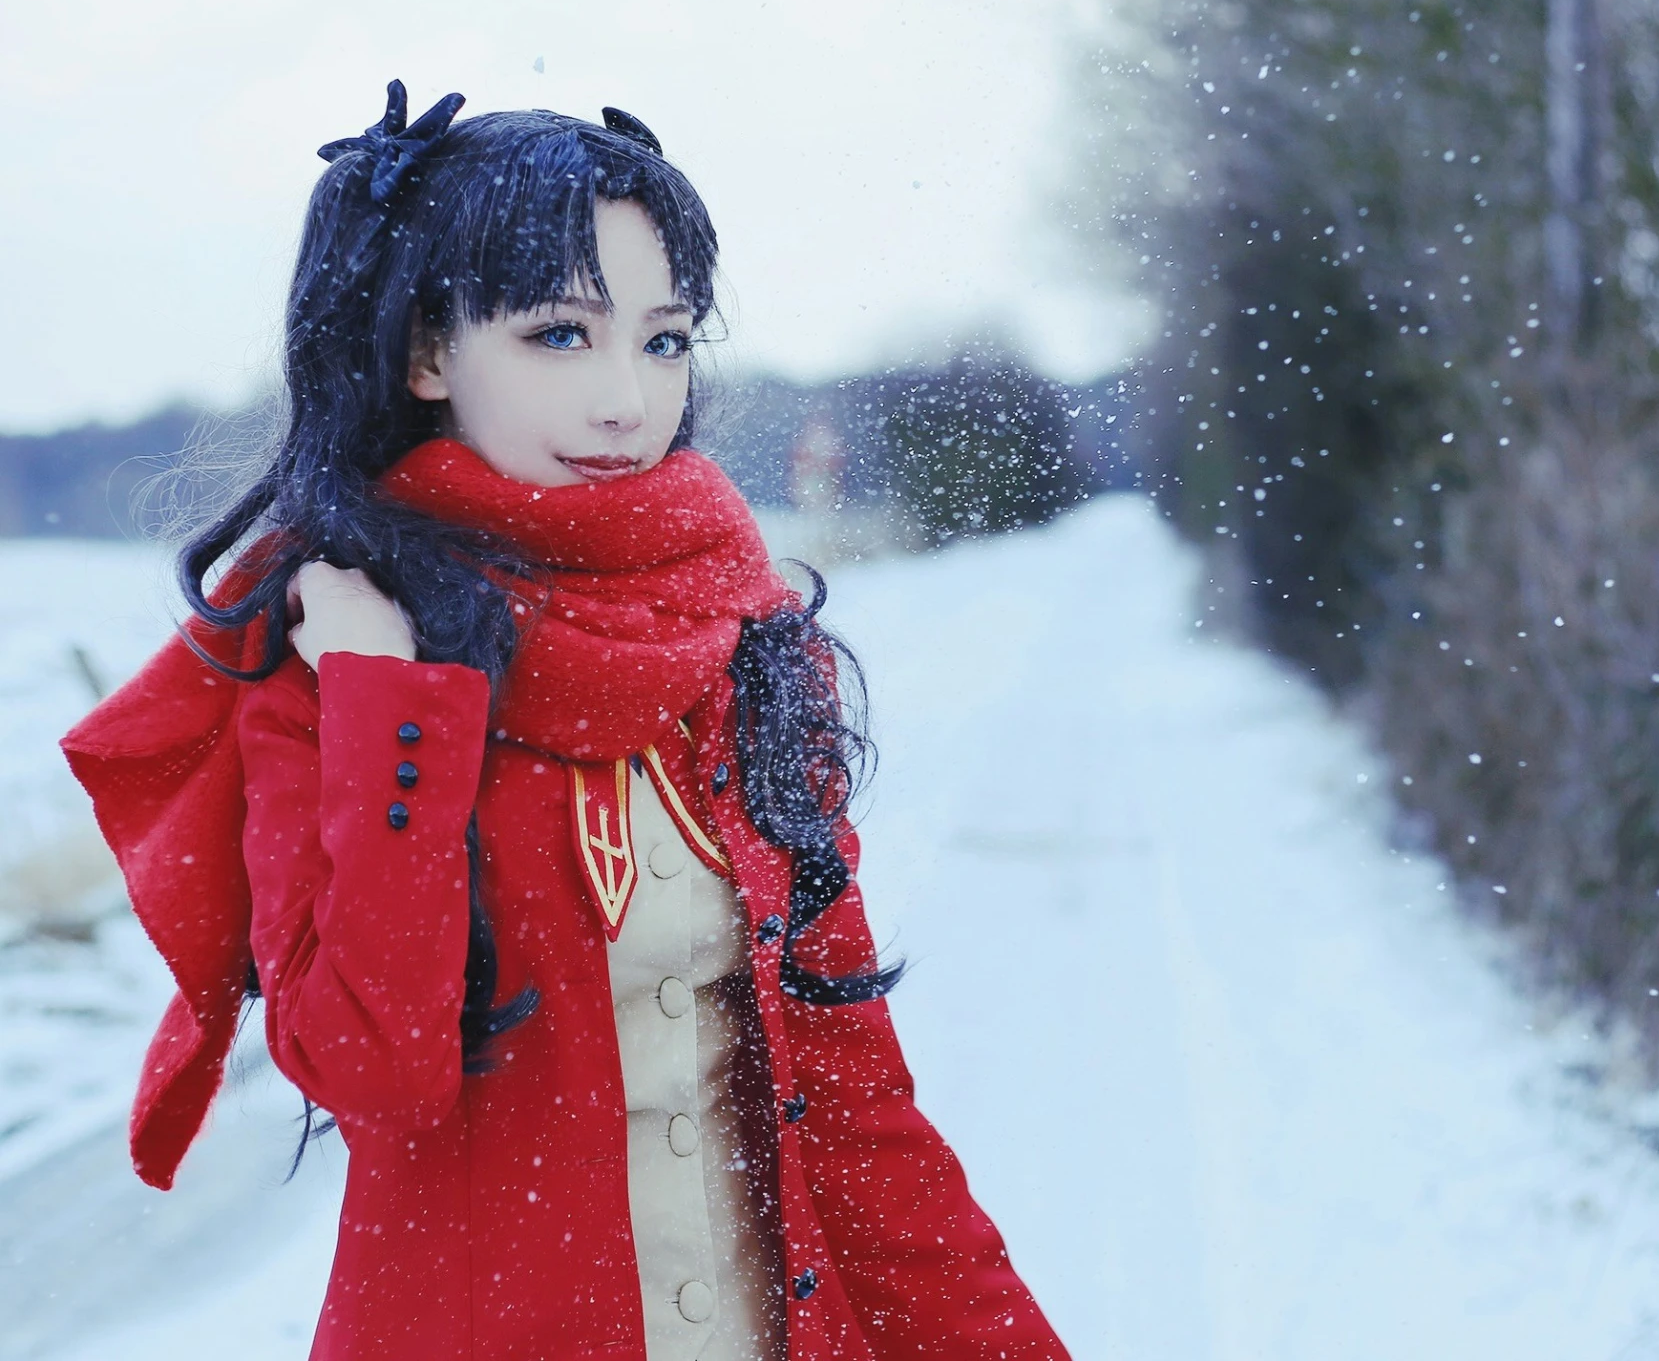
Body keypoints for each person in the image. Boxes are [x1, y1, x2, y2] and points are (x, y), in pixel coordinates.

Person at [60, 83, 1069, 1361]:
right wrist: (389, 710)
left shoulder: (742, 642)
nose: (624, 402)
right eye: (558, 336)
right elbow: (375, 1067)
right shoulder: (337, 663)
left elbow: (858, 1105)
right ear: (428, 351)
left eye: (662, 339)